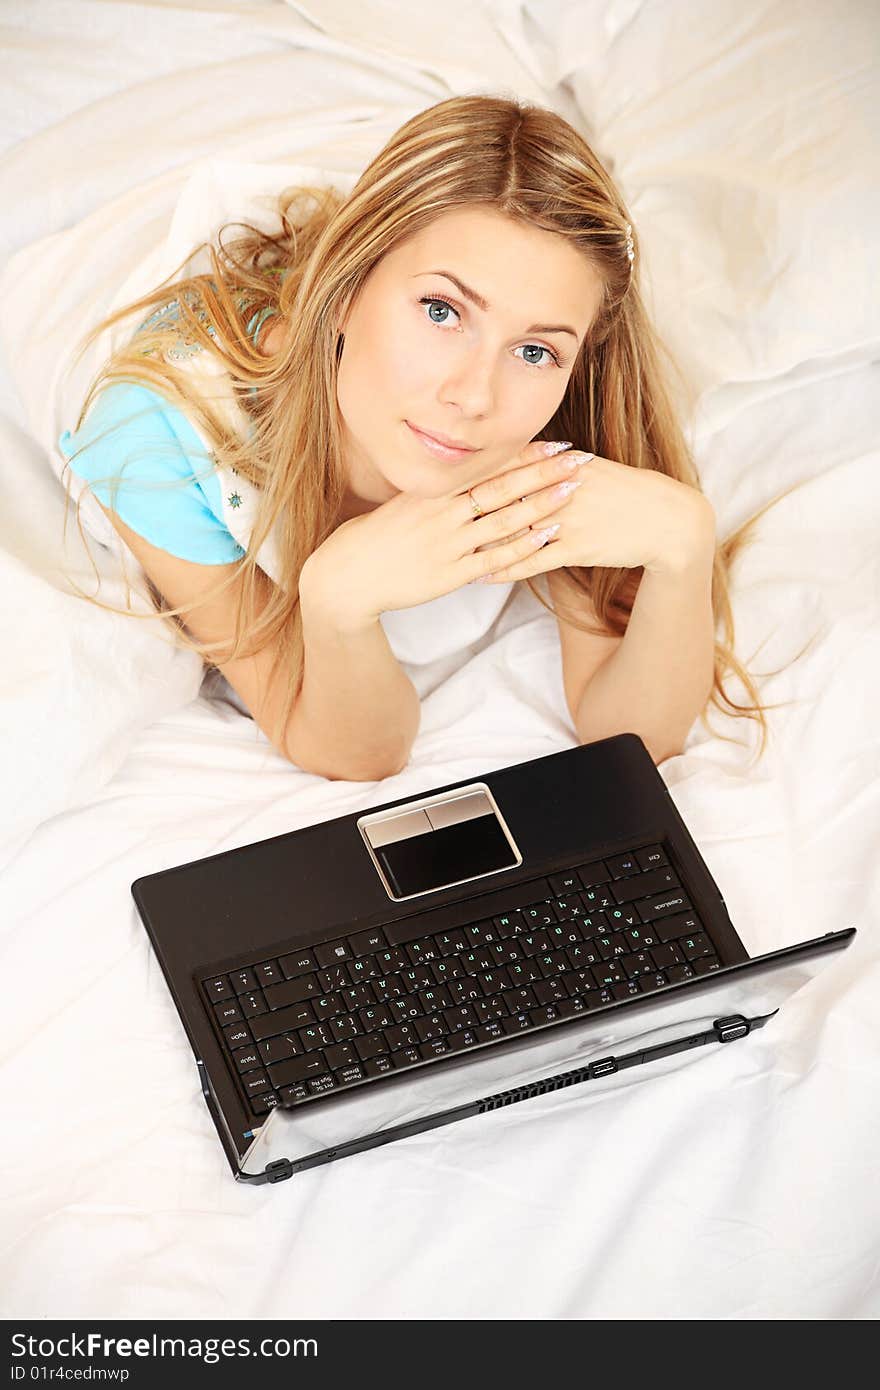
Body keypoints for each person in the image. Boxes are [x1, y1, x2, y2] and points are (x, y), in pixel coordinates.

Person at [57, 94, 798, 782]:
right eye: (442, 311)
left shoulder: (541, 409)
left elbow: (634, 735)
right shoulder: (155, 438)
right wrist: (336, 599)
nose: (475, 397)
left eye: (536, 350)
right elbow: (354, 751)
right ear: (343, 290)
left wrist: (683, 547)